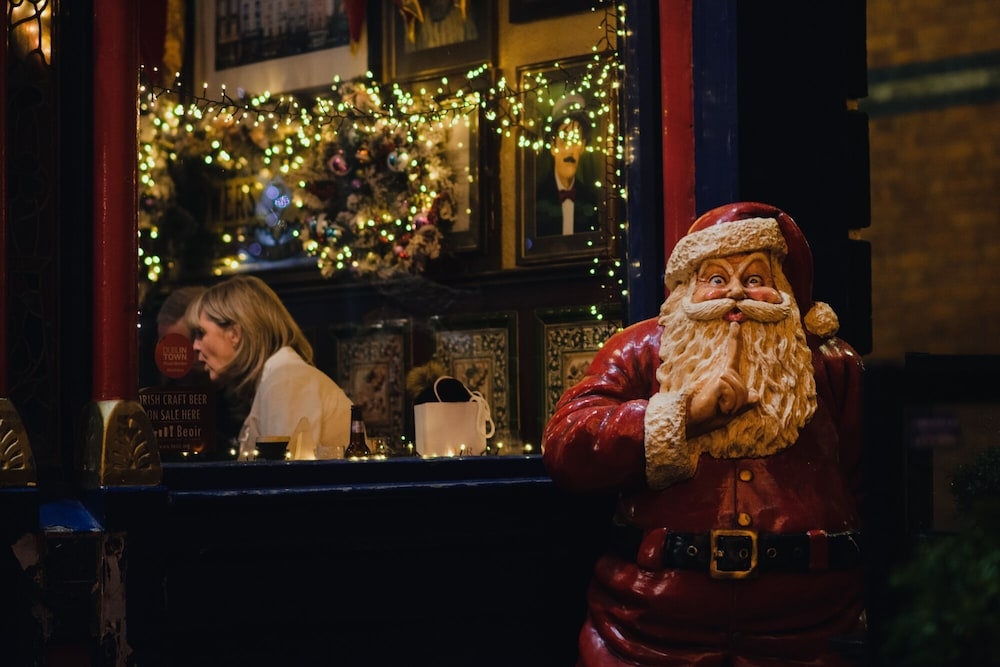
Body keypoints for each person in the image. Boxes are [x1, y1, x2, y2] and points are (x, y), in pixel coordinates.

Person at [542, 202, 866, 666]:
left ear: (786, 290)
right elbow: (567, 445)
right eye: (716, 278)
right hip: (649, 630)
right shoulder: (639, 351)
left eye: (755, 278)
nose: (735, 293)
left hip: (809, 630)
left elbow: (867, 478)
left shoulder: (832, 364)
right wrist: (681, 417)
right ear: (686, 289)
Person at [187, 274, 352, 460]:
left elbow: (288, 475)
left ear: (235, 334)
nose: (194, 346)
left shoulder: (286, 381)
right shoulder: (280, 379)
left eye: (200, 333)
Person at [534, 94, 600, 236]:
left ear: (583, 146)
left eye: (576, 140)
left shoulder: (590, 200)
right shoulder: (536, 200)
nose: (570, 149)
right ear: (553, 146)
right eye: (564, 139)